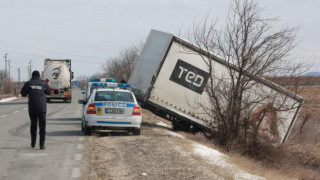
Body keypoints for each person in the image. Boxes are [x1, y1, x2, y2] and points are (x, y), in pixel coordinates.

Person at [21, 70, 51, 150]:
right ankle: (42, 145)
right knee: (42, 126)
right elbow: (49, 92)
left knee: (33, 125)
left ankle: (33, 143)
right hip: (42, 108)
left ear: (32, 76)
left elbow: (23, 94)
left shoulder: (28, 83)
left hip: (32, 108)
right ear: (39, 76)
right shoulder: (43, 83)